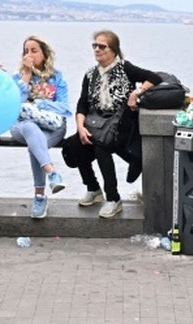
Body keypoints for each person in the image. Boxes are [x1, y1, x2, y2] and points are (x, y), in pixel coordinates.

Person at [62, 30, 162, 219]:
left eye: (102, 46)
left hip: (121, 125)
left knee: (102, 147)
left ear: (113, 50)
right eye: (95, 46)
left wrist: (136, 93)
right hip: (97, 123)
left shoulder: (125, 68)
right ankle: (93, 188)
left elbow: (155, 78)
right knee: (74, 145)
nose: (97, 50)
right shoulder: (90, 74)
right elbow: (82, 104)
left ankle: (113, 199)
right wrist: (80, 127)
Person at [0, 36, 70, 219]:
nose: (29, 54)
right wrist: (25, 75)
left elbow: (64, 107)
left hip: (52, 127)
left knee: (36, 144)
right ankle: (52, 174)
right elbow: (10, 105)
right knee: (31, 128)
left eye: (34, 50)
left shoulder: (57, 79)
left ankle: (39, 196)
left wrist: (37, 106)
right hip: (22, 127)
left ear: (44, 54)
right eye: (26, 51)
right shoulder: (17, 79)